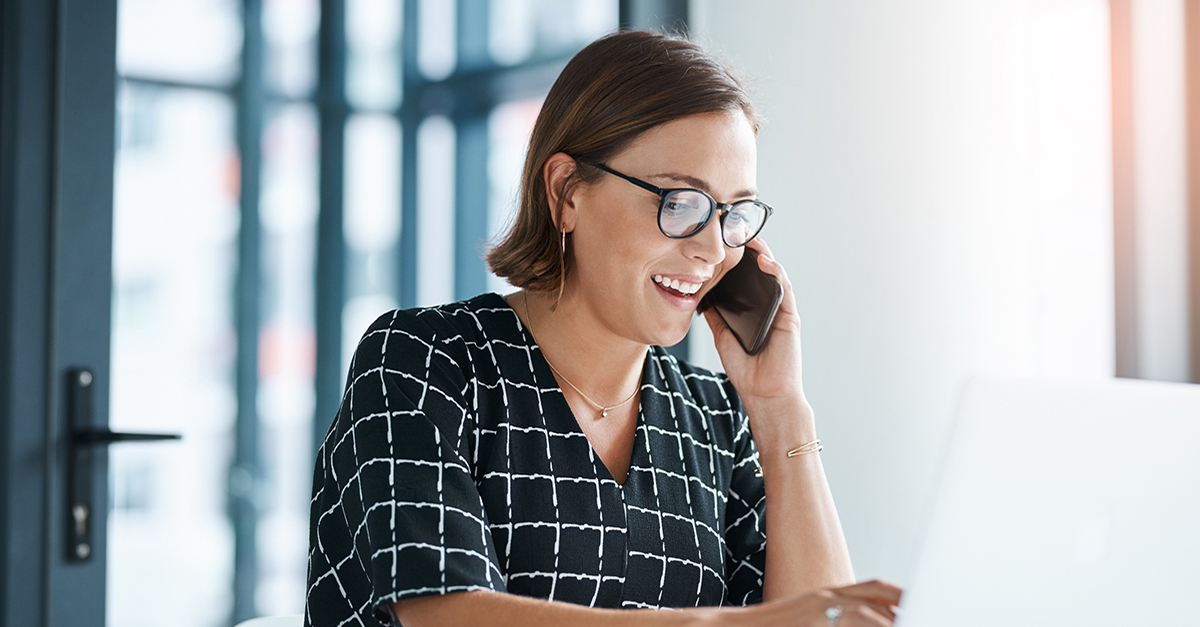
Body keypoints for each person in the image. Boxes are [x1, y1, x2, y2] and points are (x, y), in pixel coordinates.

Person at [305, 30, 901, 627]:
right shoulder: (423, 361)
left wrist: (780, 410)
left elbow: (821, 620)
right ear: (566, 192)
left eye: (732, 214)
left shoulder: (718, 416)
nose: (712, 248)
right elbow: (446, 614)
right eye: (680, 202)